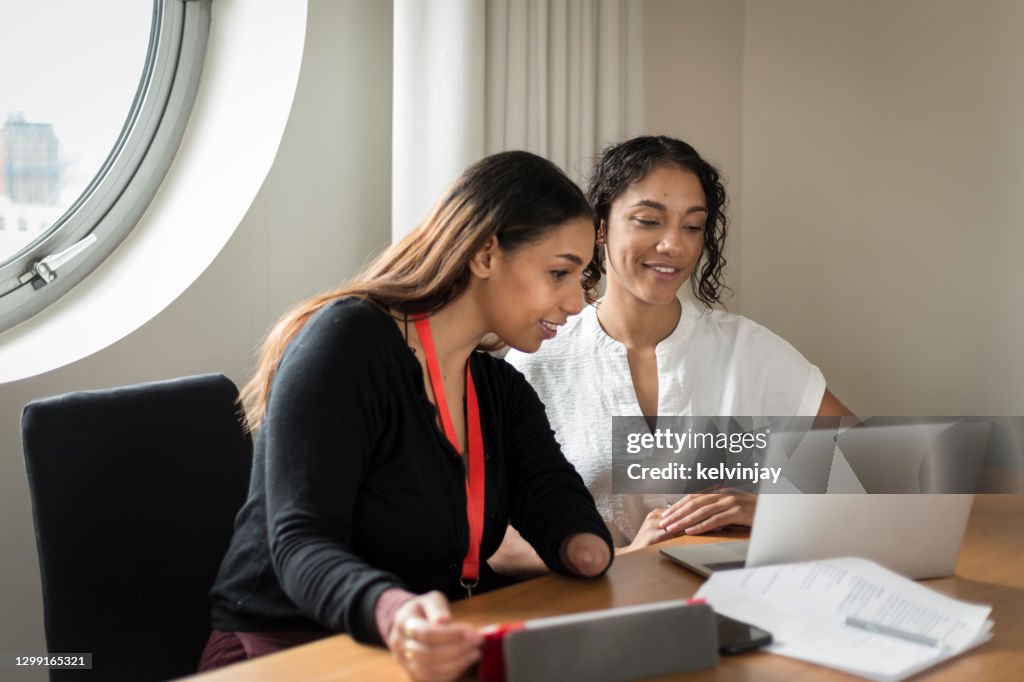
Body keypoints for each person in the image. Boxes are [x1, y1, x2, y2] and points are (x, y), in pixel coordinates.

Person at [199, 151, 614, 682]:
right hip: (289, 643)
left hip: (433, 639)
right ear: (486, 253)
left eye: (581, 277)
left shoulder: (498, 388)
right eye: (559, 273)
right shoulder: (346, 345)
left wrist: (590, 549)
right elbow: (300, 542)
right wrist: (396, 614)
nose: (577, 302)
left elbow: (553, 497)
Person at [503, 135, 852, 554]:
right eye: (649, 221)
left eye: (692, 226)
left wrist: (774, 509)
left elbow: (880, 469)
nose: (675, 245)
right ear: (600, 226)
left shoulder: (749, 350)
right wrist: (618, 559)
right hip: (589, 600)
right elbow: (492, 537)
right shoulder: (538, 357)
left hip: (729, 595)